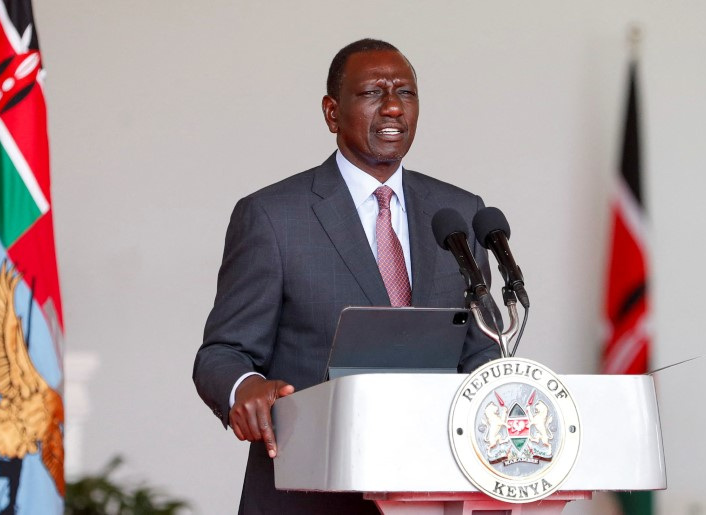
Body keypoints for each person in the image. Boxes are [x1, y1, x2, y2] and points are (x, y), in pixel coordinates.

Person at [193, 38, 501, 514]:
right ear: (332, 113)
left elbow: (482, 348)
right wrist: (245, 387)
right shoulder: (273, 217)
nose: (394, 106)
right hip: (307, 496)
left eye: (406, 92)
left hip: (436, 491)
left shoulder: (458, 213)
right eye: (373, 93)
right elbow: (221, 353)